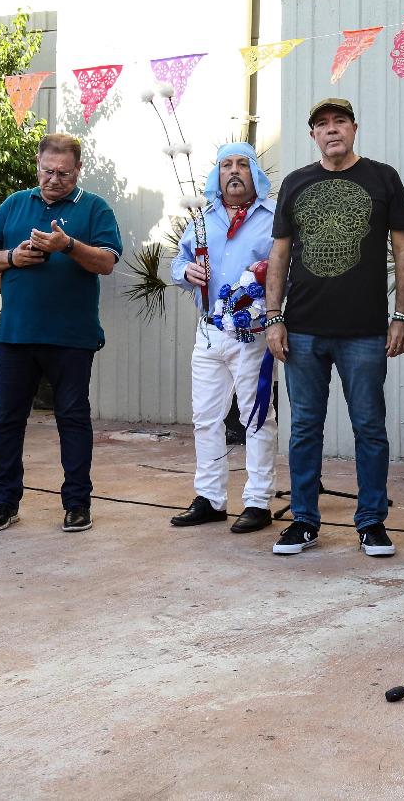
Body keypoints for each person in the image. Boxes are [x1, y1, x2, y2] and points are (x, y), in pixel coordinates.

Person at [263, 97, 404, 557]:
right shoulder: (294, 182)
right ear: (313, 134)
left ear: (354, 128)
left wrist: (402, 315)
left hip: (365, 331)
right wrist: (274, 318)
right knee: (305, 427)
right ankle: (304, 520)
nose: (332, 130)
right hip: (303, 329)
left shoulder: (383, 178)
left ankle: (371, 522)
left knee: (370, 426)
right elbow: (279, 255)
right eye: (322, 124)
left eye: (340, 122)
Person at [0, 133, 123, 533]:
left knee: (72, 419)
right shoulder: (14, 204)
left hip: (71, 337)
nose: (54, 179)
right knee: (6, 420)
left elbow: (107, 262)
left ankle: (77, 504)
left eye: (64, 173)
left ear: (79, 170)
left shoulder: (95, 208)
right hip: (16, 336)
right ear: (37, 166)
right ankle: (4, 502)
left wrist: (68, 245)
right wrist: (12, 257)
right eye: (47, 171)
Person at [168, 143, 279, 534]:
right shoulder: (202, 220)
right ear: (216, 174)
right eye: (226, 165)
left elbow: (288, 266)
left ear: (255, 175)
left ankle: (258, 500)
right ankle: (210, 498)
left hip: (254, 334)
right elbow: (177, 262)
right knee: (205, 418)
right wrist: (187, 273)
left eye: (243, 165)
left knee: (256, 417)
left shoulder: (273, 218)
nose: (234, 171)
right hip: (209, 332)